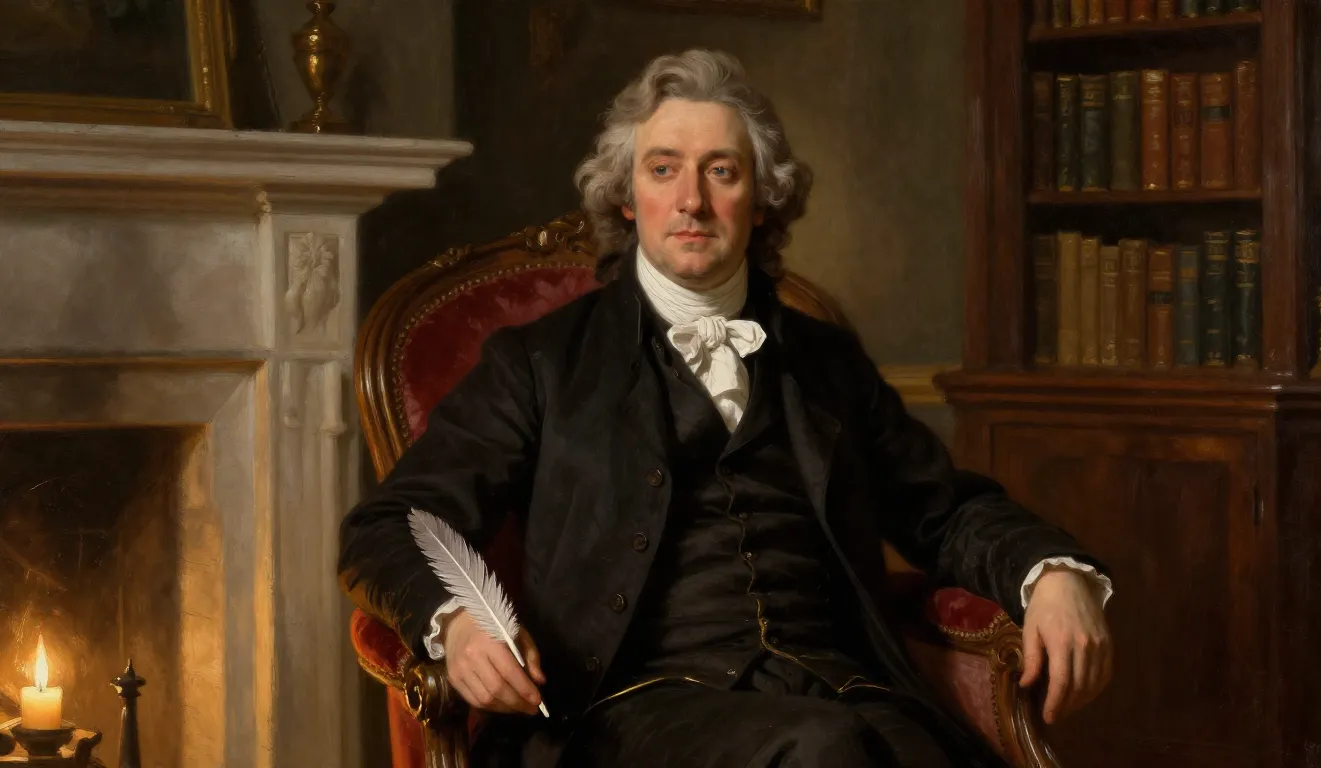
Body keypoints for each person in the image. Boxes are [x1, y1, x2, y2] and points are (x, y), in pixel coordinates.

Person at [338, 49, 1114, 768]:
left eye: (721, 171)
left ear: (763, 201)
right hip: (627, 712)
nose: (692, 201)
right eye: (663, 169)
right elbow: (388, 525)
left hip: (841, 688)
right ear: (627, 198)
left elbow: (944, 511)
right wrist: (456, 622)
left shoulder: (826, 361)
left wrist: (1050, 573)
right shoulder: (539, 363)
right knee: (825, 751)